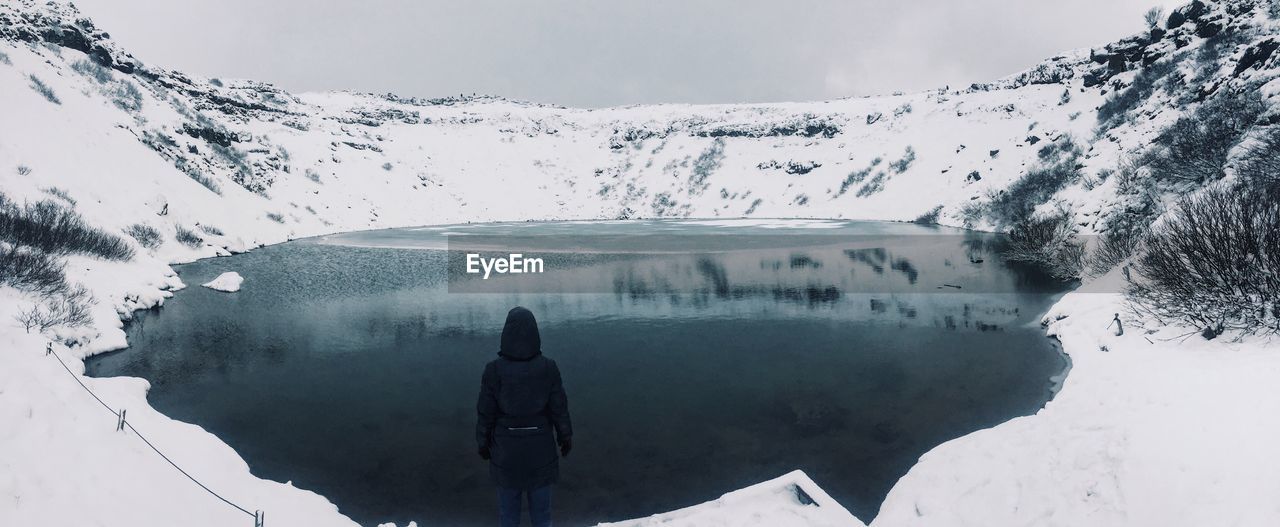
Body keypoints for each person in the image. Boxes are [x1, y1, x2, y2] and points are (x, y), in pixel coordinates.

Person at [476, 307, 572, 527]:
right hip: (541, 452)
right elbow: (559, 408)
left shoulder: (493, 370)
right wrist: (565, 436)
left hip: (505, 454)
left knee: (508, 516)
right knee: (542, 515)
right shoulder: (548, 368)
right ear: (535, 334)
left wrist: (482, 443)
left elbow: (485, 413)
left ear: (505, 335)